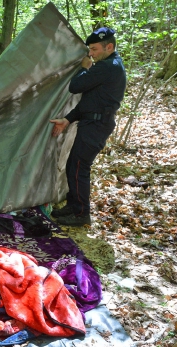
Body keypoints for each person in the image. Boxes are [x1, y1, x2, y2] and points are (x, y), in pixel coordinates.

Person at [49, 27, 126, 226]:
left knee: (79, 167)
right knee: (74, 165)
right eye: (89, 50)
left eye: (94, 49)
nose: (90, 54)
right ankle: (74, 206)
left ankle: (81, 214)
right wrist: (67, 119)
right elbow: (89, 102)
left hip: (97, 125)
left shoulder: (108, 67)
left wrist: (84, 68)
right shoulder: (110, 65)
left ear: (109, 47)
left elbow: (75, 87)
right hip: (93, 122)